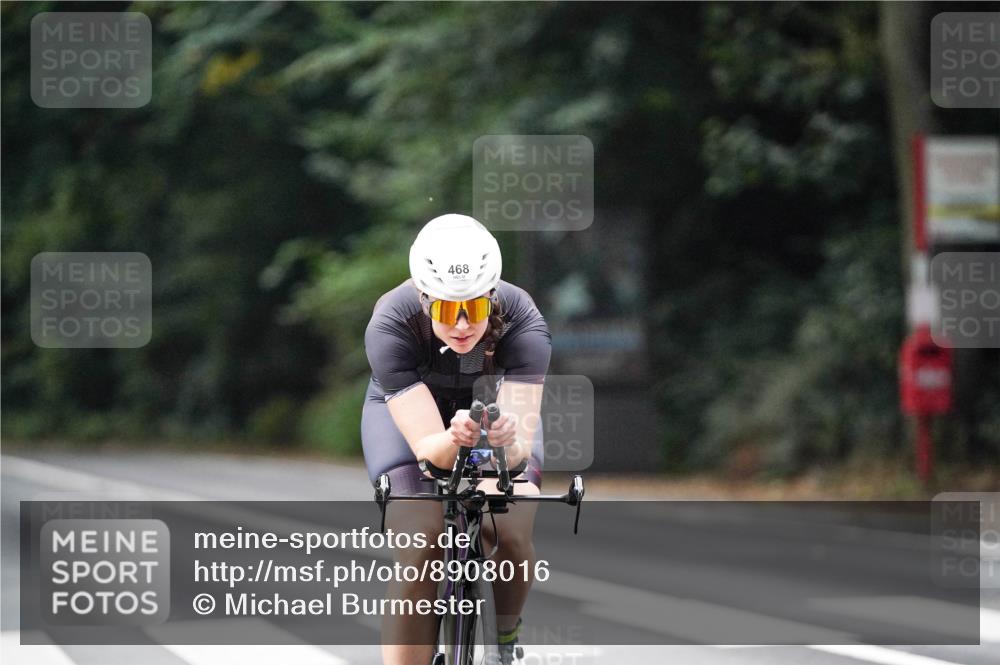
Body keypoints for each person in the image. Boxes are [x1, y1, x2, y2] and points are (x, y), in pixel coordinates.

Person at [362, 213, 550, 665]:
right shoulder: (392, 321)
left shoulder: (523, 317)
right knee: (420, 543)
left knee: (509, 532)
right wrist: (452, 439)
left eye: (476, 309)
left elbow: (520, 446)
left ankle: (504, 640)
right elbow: (429, 449)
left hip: (494, 414)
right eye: (447, 309)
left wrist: (505, 441)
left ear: (492, 298)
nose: (462, 324)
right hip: (412, 421)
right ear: (424, 298)